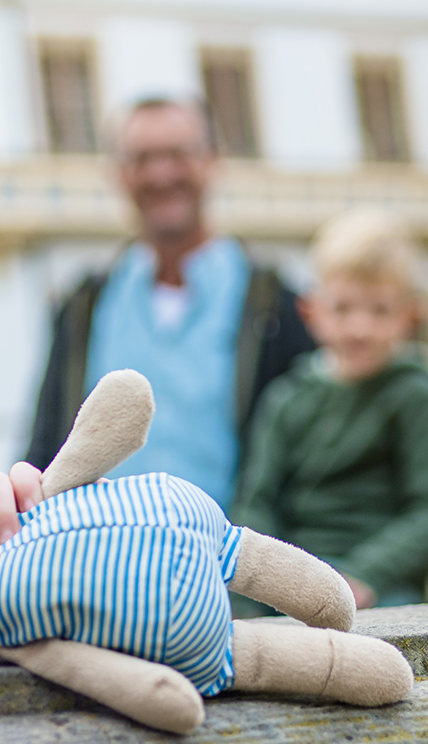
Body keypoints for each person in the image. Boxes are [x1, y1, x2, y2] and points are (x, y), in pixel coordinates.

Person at [25, 96, 315, 509]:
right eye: (142, 158)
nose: (161, 173)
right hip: (100, 560)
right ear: (119, 174)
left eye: (178, 154)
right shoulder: (84, 306)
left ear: (213, 161)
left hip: (230, 563)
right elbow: (45, 444)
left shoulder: (278, 306)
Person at [231, 210, 428, 612]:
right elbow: (257, 501)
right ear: (312, 312)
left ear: (410, 315)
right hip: (292, 580)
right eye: (342, 309)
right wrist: (266, 581)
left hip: (379, 589)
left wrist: (366, 575)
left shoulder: (415, 397)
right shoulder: (287, 399)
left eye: (379, 311)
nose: (359, 327)